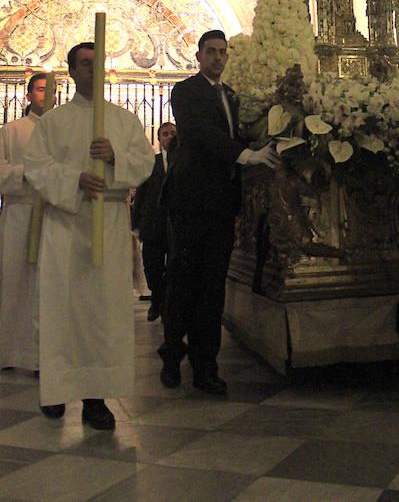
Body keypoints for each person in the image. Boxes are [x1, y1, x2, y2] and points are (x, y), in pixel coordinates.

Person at [24, 43, 154, 430]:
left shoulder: (124, 120)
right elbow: (36, 166)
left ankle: (96, 399)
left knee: (102, 314)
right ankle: (56, 389)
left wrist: (115, 159)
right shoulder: (53, 122)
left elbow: (145, 162)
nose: (91, 70)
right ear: (71, 71)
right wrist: (74, 179)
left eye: (97, 64)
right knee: (61, 310)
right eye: (84, 64)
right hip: (66, 225)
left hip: (108, 223)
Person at [159, 29, 278, 394]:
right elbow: (200, 133)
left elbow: (236, 134)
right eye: (210, 51)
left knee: (212, 287)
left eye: (222, 52)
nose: (217, 58)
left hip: (222, 203)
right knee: (183, 280)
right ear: (198, 56)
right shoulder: (186, 91)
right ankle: (171, 354)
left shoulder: (231, 96)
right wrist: (246, 156)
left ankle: (205, 366)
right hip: (191, 201)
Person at [0, 74, 52, 371]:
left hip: (51, 214)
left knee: (46, 284)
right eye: (41, 89)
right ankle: (9, 352)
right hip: (20, 212)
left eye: (50, 90)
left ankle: (41, 355)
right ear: (29, 95)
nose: (46, 94)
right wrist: (27, 172)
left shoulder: (59, 131)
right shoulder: (12, 130)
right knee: (14, 281)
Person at [132, 122, 176, 322]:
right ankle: (157, 299)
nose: (169, 137)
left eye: (173, 133)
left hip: (176, 224)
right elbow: (141, 193)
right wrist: (136, 222)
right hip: (153, 224)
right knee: (152, 267)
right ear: (159, 139)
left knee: (174, 268)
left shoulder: (183, 161)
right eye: (165, 134)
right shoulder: (151, 163)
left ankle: (167, 305)